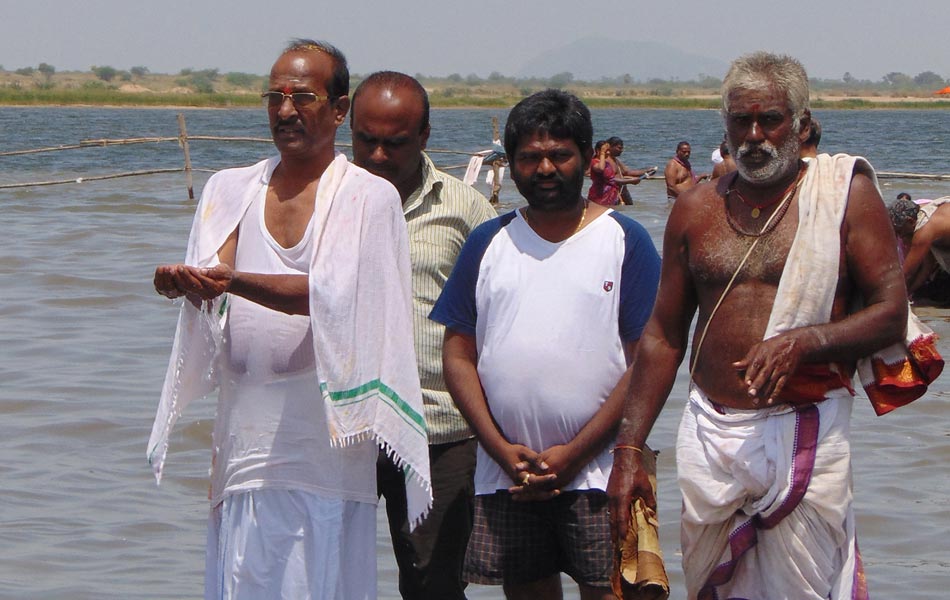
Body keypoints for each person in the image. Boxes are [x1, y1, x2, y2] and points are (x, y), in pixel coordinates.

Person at [606, 52, 937, 599]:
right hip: (710, 436)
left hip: (806, 424)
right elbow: (664, 335)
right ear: (726, 125)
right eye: (741, 121)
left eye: (771, 120)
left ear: (801, 124)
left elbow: (888, 309)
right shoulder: (695, 208)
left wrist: (805, 343)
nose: (755, 135)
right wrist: (629, 450)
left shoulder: (844, 196)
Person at [148, 40, 431, 600]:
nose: (285, 110)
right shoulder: (230, 188)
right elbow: (215, 283)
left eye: (303, 96)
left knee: (321, 578)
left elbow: (336, 296)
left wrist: (232, 282)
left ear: (339, 109)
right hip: (244, 439)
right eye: (274, 97)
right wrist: (185, 283)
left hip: (325, 449)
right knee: (242, 579)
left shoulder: (368, 197)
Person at [431, 89, 661, 600]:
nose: (545, 168)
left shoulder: (625, 241)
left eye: (560, 154)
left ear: (587, 156)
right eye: (529, 157)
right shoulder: (488, 243)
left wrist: (577, 454)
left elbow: (647, 362)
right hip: (508, 473)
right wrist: (499, 448)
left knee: (611, 592)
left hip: (601, 472)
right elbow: (457, 355)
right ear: (510, 164)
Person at [349, 70, 497, 600]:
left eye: (396, 143)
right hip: (346, 429)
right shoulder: (327, 206)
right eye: (366, 141)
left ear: (425, 137)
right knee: (328, 567)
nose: (380, 156)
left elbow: (498, 323)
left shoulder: (467, 212)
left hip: (440, 429)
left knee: (432, 582)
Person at [896, 198, 950, 301]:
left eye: (900, 231)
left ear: (910, 221)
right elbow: (926, 268)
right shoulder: (927, 214)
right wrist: (908, 293)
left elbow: (906, 274)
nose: (901, 237)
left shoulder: (925, 231)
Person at [588, 140, 645, 206]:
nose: (608, 153)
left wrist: (631, 179)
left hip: (611, 196)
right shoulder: (594, 162)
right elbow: (601, 169)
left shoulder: (607, 164)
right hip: (599, 197)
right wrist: (630, 181)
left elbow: (612, 179)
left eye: (609, 150)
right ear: (598, 151)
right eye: (606, 151)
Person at [606, 136, 658, 204]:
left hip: (622, 192)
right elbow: (611, 180)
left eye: (622, 148)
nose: (622, 150)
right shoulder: (606, 161)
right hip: (612, 194)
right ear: (610, 147)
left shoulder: (615, 160)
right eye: (619, 148)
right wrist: (631, 181)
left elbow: (627, 172)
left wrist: (646, 171)